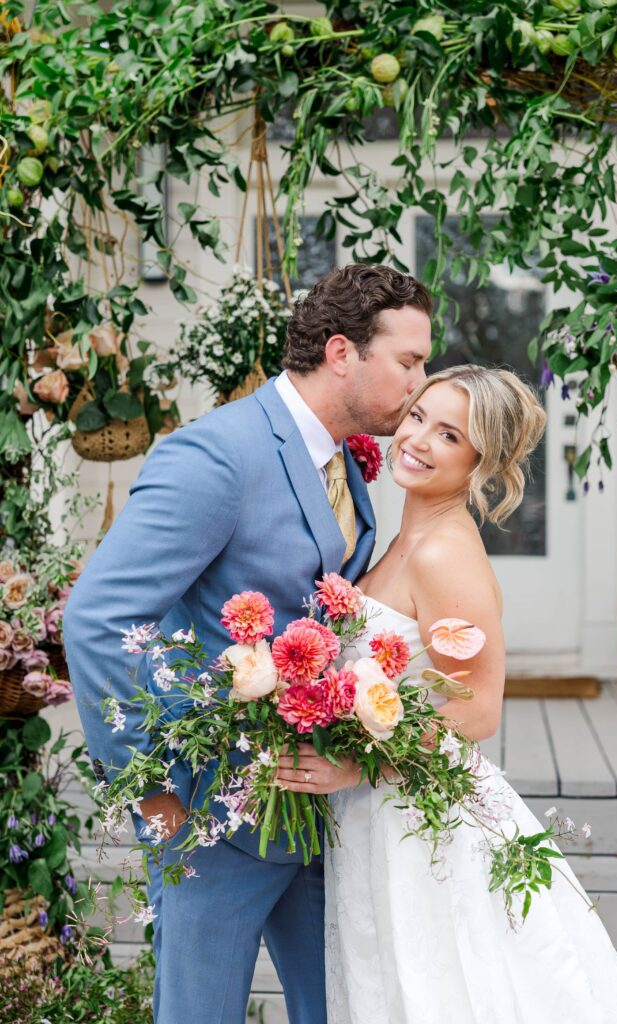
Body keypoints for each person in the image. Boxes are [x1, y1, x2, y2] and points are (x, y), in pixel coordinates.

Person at [62, 263, 432, 1024]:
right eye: (409, 361)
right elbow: (97, 619)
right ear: (340, 353)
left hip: (320, 811)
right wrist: (152, 797)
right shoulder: (216, 456)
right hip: (211, 819)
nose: (420, 384)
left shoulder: (344, 462)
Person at [308, 365, 617, 1024]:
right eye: (416, 417)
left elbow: (476, 709)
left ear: (480, 462)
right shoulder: (397, 541)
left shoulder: (444, 554)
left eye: (448, 435)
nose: (416, 439)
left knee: (442, 988)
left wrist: (354, 763)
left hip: (421, 818)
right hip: (377, 810)